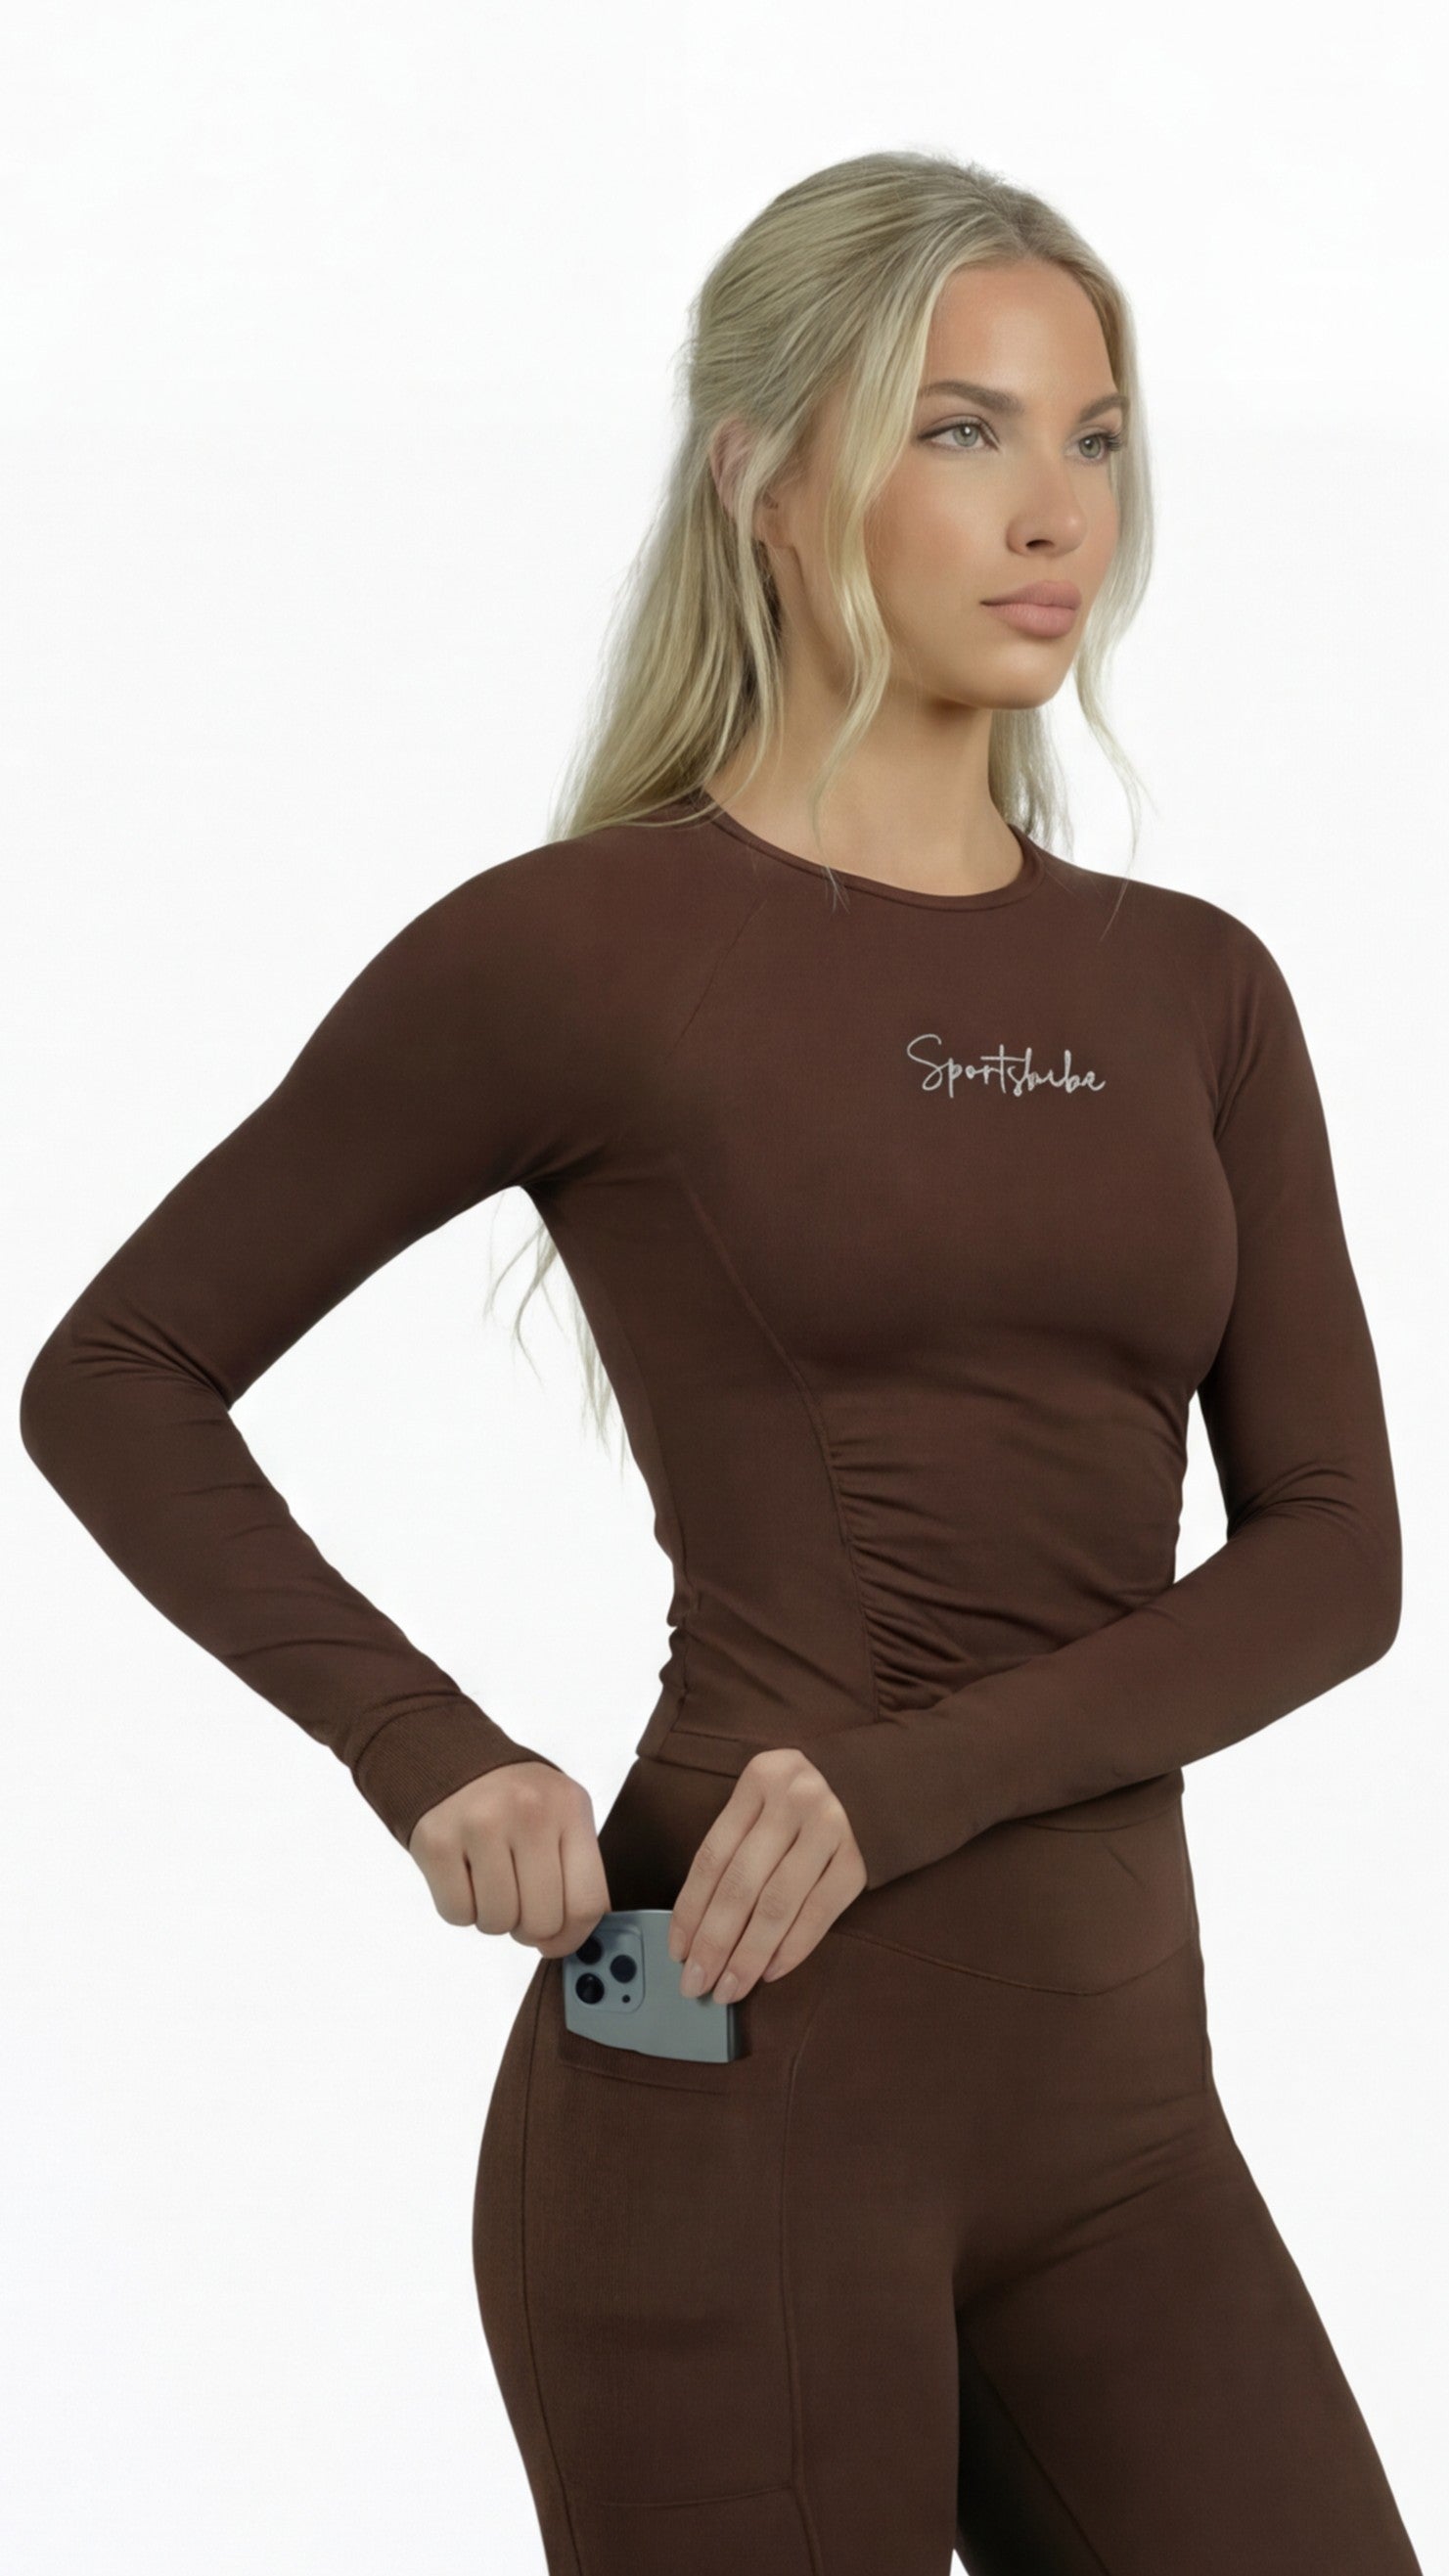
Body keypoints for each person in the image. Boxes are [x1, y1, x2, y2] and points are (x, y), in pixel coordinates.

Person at [19, 149, 1424, 2576]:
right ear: (766, 479)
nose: (1057, 513)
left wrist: (909, 1785)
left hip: (1120, 2126)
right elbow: (118, 1370)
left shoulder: (1196, 989)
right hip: (729, 2084)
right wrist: (422, 1746)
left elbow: (1338, 1558)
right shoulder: (583, 952)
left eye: (1094, 437)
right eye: (963, 429)